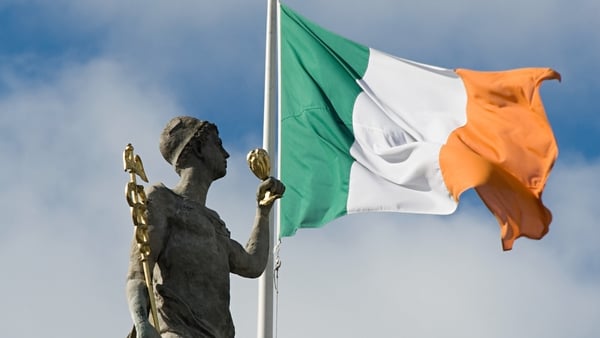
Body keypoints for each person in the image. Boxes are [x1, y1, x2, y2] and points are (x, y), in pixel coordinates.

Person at [126, 116, 285, 338]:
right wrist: (142, 322)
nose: (226, 153)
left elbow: (252, 264)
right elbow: (137, 274)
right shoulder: (163, 201)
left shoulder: (213, 222)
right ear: (199, 148)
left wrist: (263, 212)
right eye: (218, 143)